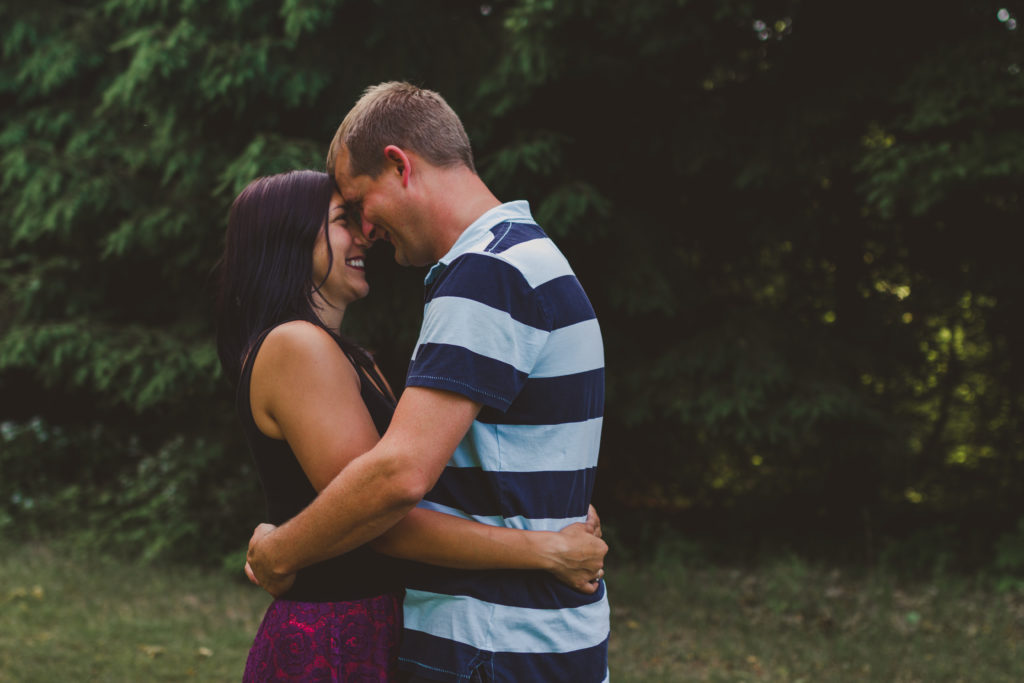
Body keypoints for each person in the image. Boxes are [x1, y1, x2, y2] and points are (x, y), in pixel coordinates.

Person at [246, 82, 609, 682]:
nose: (366, 229)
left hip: (492, 643)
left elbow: (398, 475)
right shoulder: (527, 257)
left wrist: (279, 551)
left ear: (399, 164)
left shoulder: (485, 275)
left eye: (361, 201)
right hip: (532, 636)